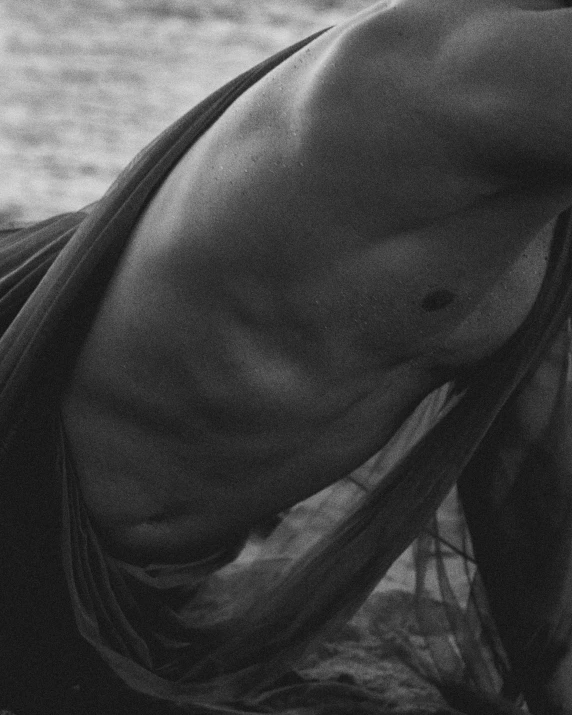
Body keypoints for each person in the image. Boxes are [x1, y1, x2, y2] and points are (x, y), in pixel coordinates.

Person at [1, 0, 572, 712]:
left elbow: (526, 465)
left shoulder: (542, 179)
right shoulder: (457, 68)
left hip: (146, 584)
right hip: (26, 510)